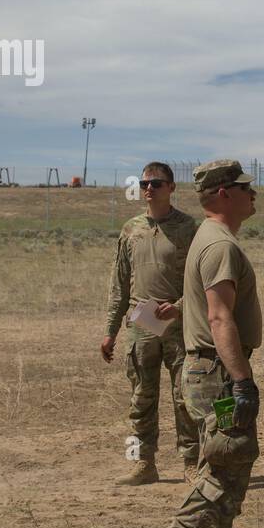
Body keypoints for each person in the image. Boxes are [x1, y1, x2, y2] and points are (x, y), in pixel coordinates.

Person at [135, 160, 262, 528]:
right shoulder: (219, 245)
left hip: (211, 370)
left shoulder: (209, 240)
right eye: (246, 187)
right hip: (218, 375)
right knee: (225, 464)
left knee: (231, 463)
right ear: (225, 194)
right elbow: (219, 316)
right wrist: (243, 381)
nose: (254, 193)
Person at [102, 162, 201, 486]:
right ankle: (143, 463)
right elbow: (119, 284)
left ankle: (191, 462)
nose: (149, 188)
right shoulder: (131, 229)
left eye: (157, 183)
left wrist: (180, 308)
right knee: (141, 398)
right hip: (141, 324)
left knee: (184, 396)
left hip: (177, 324)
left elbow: (200, 280)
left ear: (171, 188)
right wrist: (110, 332)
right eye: (145, 183)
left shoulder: (188, 227)